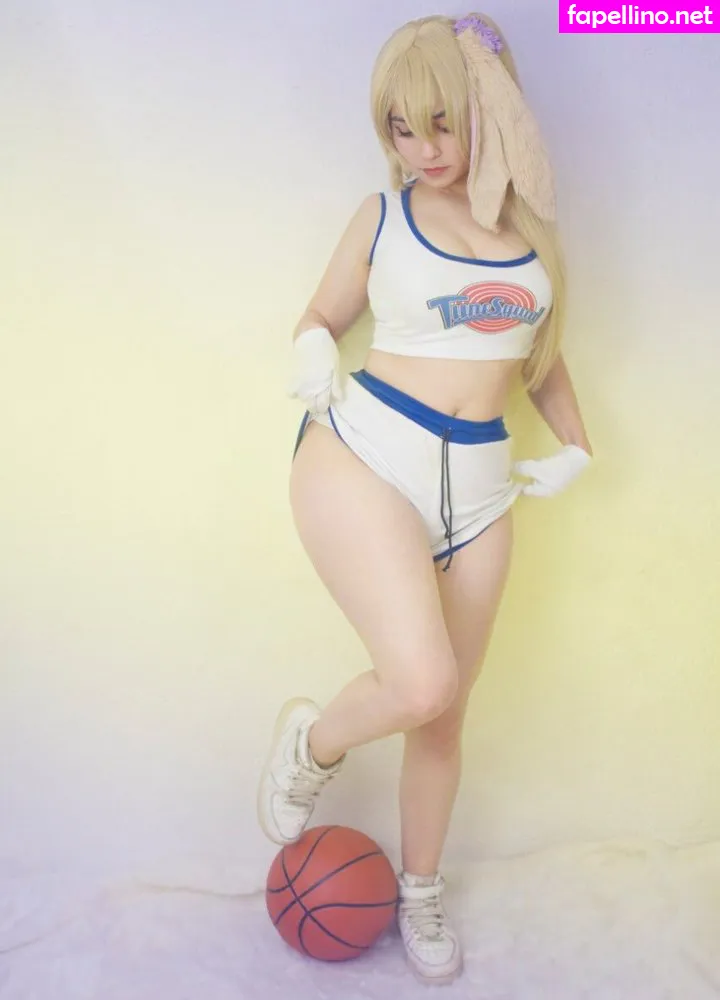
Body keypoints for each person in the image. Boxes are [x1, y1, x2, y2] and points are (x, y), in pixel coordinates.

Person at [257, 11, 593, 986]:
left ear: (488, 111)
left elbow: (541, 359)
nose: (422, 149)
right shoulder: (383, 215)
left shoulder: (531, 241)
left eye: (440, 124)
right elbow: (321, 314)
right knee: (420, 681)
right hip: (367, 454)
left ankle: (420, 890)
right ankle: (313, 743)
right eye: (401, 129)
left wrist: (577, 445)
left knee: (443, 716)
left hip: (482, 489)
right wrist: (311, 346)